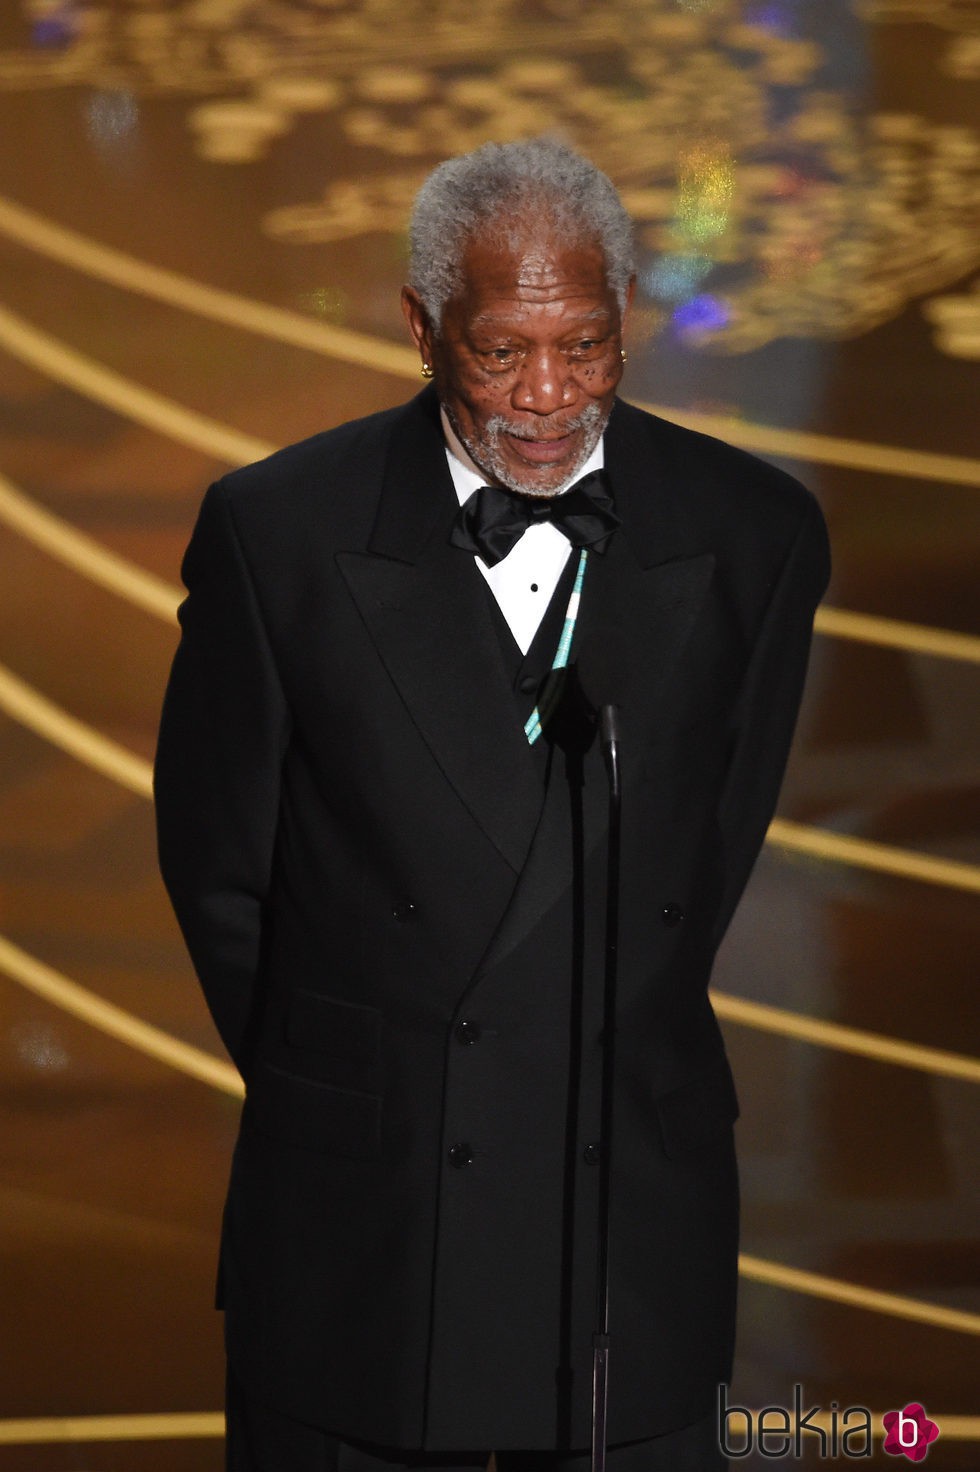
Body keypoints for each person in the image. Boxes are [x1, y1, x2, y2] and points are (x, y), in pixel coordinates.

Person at [154, 137, 830, 1472]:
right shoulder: (278, 531)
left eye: (584, 346)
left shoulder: (754, 531)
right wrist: (371, 1083)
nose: (547, 396)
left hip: (628, 1225)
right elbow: (223, 873)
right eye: (501, 351)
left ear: (626, 317)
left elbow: (713, 842)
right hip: (371, 1230)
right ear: (422, 326)